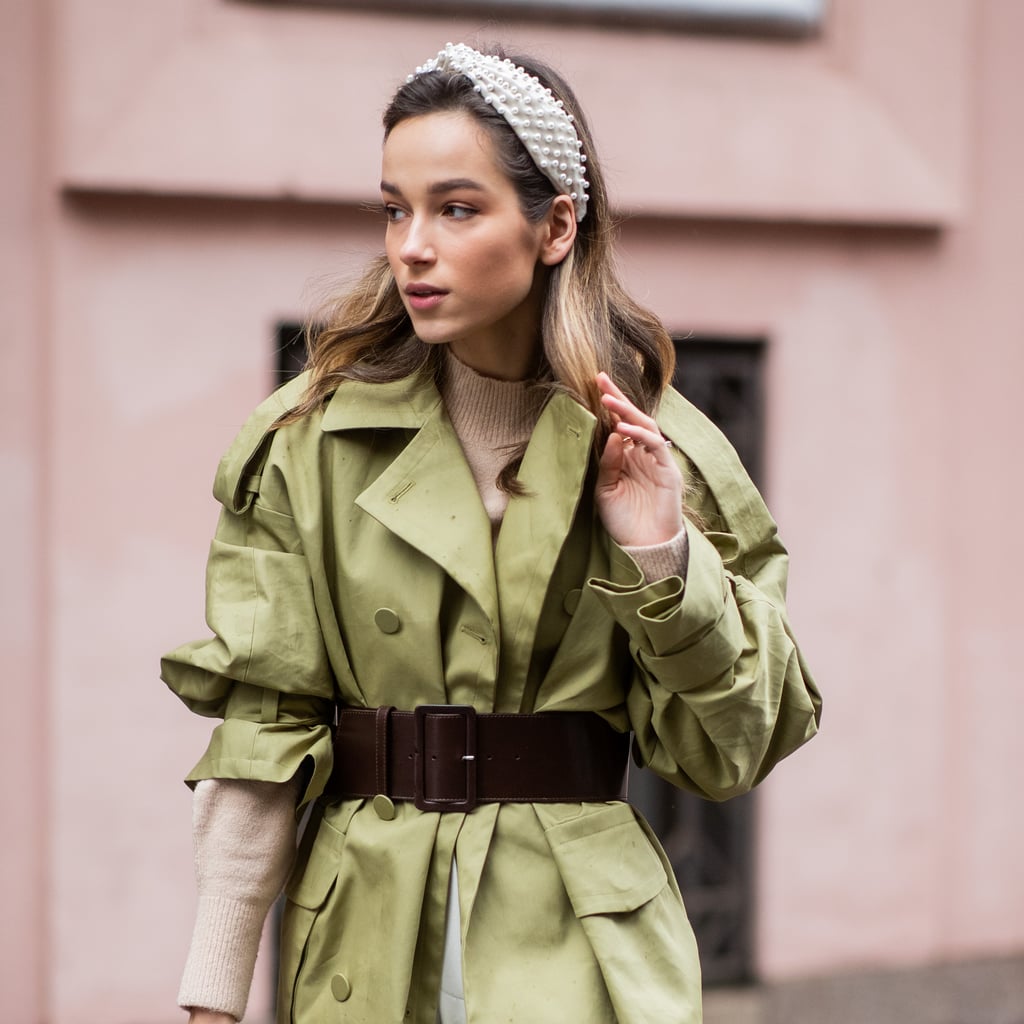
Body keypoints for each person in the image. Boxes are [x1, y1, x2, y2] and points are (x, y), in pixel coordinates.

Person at [162, 41, 821, 1024]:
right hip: (363, 944)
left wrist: (662, 559)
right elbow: (263, 729)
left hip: (583, 947)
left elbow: (731, 748)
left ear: (554, 225)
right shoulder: (308, 441)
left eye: (456, 208)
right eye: (395, 208)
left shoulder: (662, 450)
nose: (412, 245)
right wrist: (212, 996)